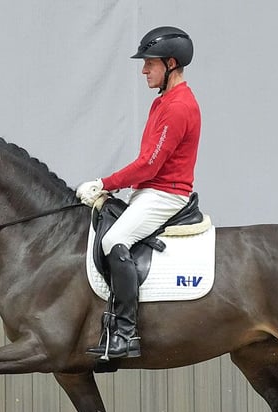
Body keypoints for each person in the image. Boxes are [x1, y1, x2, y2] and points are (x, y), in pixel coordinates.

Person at [76, 25, 201, 360]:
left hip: (165, 194)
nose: (144, 69)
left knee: (112, 241)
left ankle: (125, 333)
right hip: (149, 191)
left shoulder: (178, 107)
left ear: (171, 63)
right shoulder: (162, 102)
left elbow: (149, 165)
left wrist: (103, 183)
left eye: (150, 63)